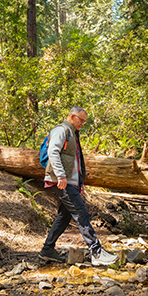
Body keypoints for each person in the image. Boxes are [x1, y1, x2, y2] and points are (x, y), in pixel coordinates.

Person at [38, 107, 118, 266]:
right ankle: (96, 252)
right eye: (81, 120)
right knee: (81, 213)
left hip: (70, 182)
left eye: (84, 121)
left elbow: (77, 162)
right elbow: (53, 152)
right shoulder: (61, 130)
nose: (83, 123)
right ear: (72, 116)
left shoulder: (73, 133)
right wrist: (60, 176)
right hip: (61, 181)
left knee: (64, 216)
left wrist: (79, 183)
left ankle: (47, 250)